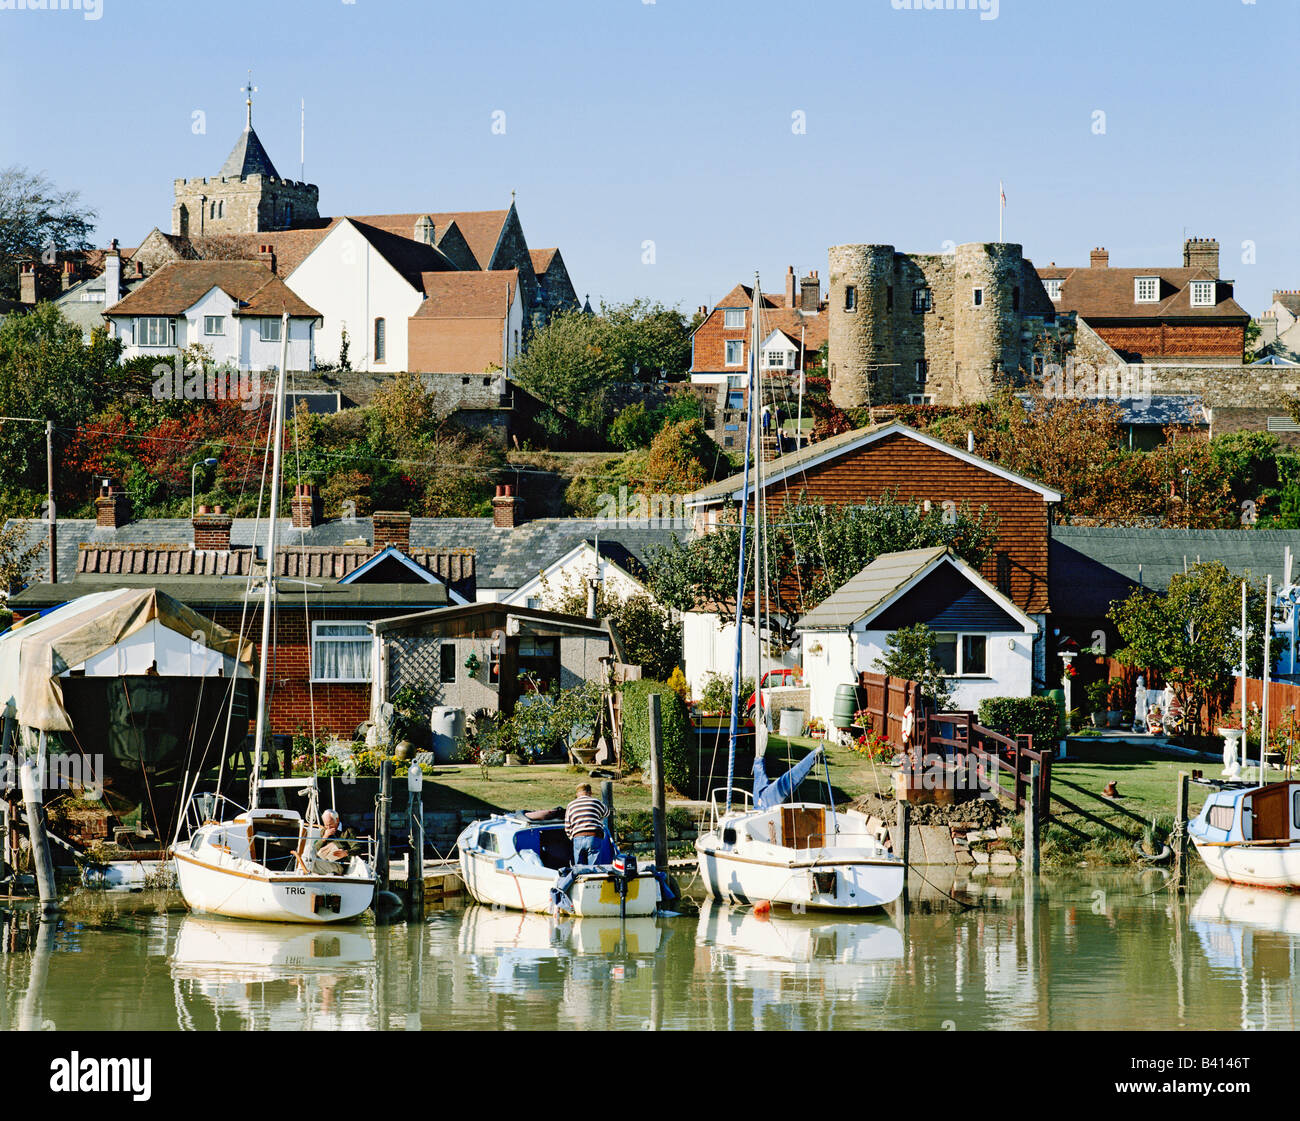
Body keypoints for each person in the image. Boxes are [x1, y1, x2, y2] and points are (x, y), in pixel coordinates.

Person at [564, 783, 608, 866]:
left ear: (577, 794)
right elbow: (607, 812)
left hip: (577, 837)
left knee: (580, 869)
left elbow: (567, 826)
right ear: (590, 792)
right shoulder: (596, 802)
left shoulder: (570, 805)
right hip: (594, 836)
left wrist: (572, 837)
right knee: (594, 868)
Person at [312, 809, 351, 875]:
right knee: (310, 852)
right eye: (326, 825)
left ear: (337, 820)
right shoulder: (324, 831)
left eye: (330, 824)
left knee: (312, 862)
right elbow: (316, 847)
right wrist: (325, 836)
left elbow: (358, 848)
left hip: (339, 865)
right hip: (327, 862)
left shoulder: (348, 831)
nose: (329, 827)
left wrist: (346, 853)